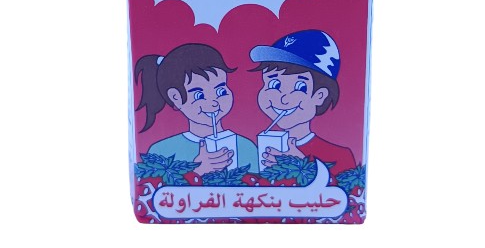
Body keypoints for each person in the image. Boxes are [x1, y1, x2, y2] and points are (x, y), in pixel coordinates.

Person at [135, 43, 259, 175]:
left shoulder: (246, 147)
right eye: (199, 95)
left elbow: (257, 183)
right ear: (176, 97)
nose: (213, 102)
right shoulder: (161, 151)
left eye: (221, 91)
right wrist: (197, 171)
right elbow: (153, 184)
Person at [250, 30, 356, 176]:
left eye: (300, 87)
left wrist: (303, 166)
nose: (283, 98)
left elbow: (343, 187)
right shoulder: (253, 152)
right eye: (274, 84)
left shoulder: (339, 157)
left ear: (319, 96)